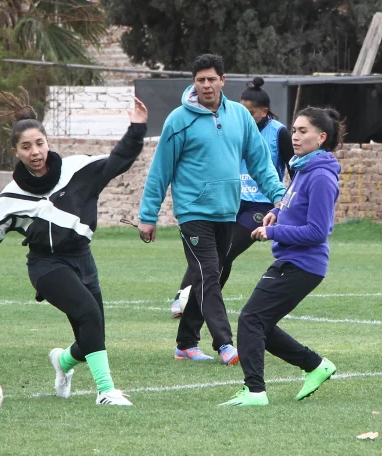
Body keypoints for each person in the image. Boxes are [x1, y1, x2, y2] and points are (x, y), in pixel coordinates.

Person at [0, 88, 148, 406]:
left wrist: (136, 128)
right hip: (46, 267)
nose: (35, 151)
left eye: (39, 143)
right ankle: (106, 391)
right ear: (16, 152)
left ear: (47, 143)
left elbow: (120, 160)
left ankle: (63, 362)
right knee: (89, 314)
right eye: (26, 147)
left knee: (92, 334)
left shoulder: (77, 170)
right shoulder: (11, 197)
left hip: (83, 259)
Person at [138, 54, 286, 365]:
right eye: (200, 80)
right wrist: (147, 217)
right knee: (208, 273)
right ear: (194, 83)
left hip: (227, 212)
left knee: (210, 274)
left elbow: (260, 162)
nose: (206, 85)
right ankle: (226, 345)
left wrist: (279, 197)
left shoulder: (240, 117)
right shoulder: (178, 119)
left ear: (223, 80)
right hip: (193, 213)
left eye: (211, 79)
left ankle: (186, 344)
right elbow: (160, 170)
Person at [220, 107, 342, 406]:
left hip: (303, 264)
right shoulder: (303, 167)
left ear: (321, 137)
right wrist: (275, 213)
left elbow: (317, 231)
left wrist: (272, 233)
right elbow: (289, 203)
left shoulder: (322, 177)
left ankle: (255, 392)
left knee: (251, 319)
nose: (295, 136)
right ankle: (315, 365)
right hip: (292, 261)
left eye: (303, 131)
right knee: (259, 322)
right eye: (294, 130)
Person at [169, 77, 295, 319]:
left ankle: (199, 302)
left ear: (264, 112)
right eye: (242, 110)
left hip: (260, 206)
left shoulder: (279, 133)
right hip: (230, 201)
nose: (245, 115)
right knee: (209, 251)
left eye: (251, 112)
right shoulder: (229, 124)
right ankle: (185, 297)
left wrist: (285, 204)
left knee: (223, 253)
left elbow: (294, 172)